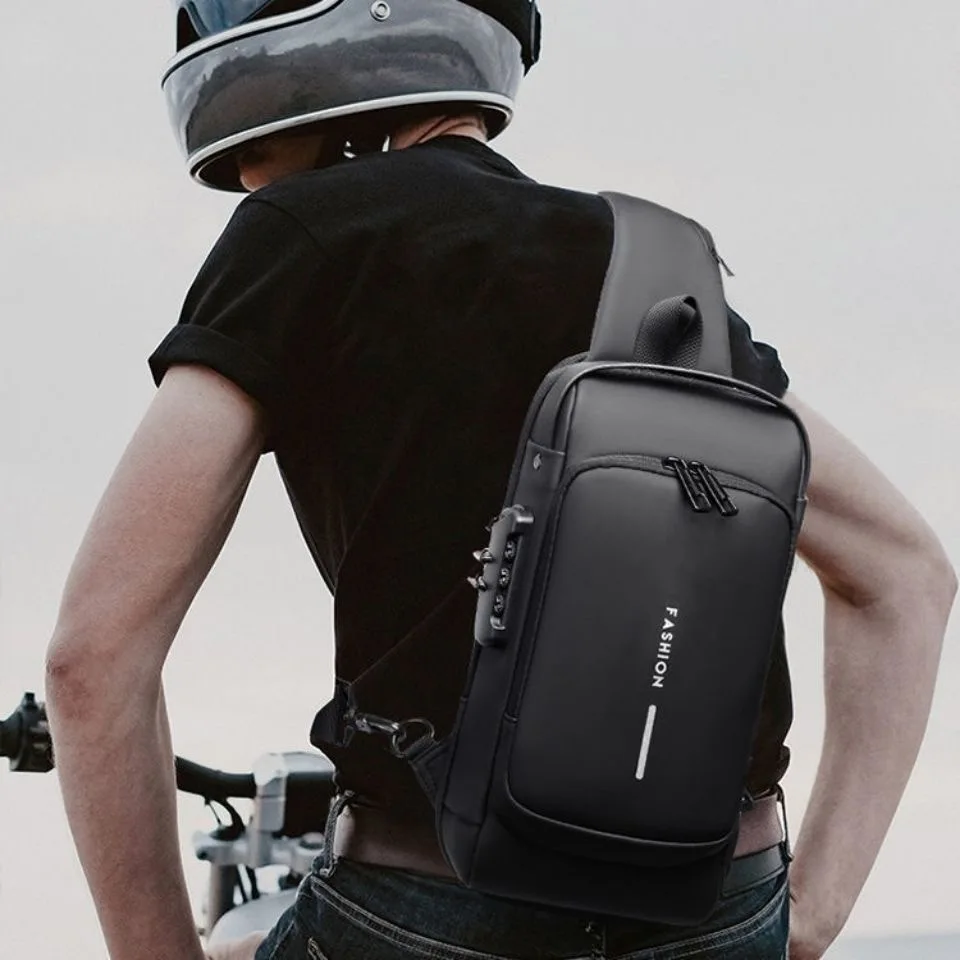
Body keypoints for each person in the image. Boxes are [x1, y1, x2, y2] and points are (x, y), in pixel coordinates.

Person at [43, 2, 956, 959]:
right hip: (714, 898)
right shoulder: (655, 264)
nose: (243, 179)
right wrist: (810, 913)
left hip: (432, 898)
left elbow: (93, 658)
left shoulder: (300, 234)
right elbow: (905, 575)